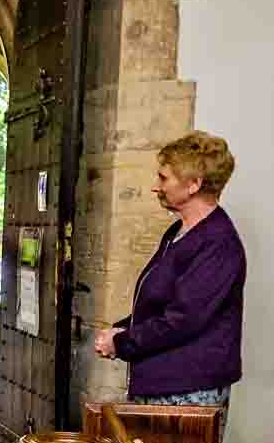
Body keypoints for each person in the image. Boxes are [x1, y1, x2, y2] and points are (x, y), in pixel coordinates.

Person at [92, 132, 247, 405]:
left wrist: (122, 343)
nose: (156, 187)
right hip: (165, 384)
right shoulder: (178, 231)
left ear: (194, 185)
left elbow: (182, 320)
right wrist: (121, 331)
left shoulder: (218, 243)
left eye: (164, 178)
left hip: (189, 390)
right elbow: (161, 305)